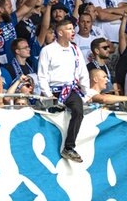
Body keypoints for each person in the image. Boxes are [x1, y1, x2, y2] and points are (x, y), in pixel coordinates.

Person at [38, 19, 89, 163]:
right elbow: (42, 74)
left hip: (71, 89)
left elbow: (82, 72)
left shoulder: (75, 49)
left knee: (78, 111)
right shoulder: (47, 50)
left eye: (73, 29)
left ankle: (69, 147)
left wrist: (87, 92)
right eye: (69, 29)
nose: (73, 31)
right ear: (60, 33)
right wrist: (48, 95)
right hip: (54, 90)